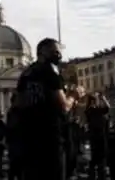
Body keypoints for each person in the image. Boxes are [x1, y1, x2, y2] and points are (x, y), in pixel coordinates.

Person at [15, 38, 84, 180]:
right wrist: (73, 95)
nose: (58, 55)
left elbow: (18, 103)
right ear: (43, 52)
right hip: (51, 137)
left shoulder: (26, 74)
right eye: (55, 51)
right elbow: (63, 106)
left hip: (29, 138)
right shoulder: (50, 72)